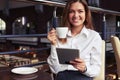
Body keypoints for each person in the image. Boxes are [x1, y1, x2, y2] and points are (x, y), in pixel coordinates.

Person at [47, 0, 102, 80]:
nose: (76, 15)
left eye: (80, 11)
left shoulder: (94, 36)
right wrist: (53, 44)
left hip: (83, 76)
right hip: (62, 76)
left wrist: (84, 68)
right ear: (67, 14)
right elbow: (55, 69)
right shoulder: (59, 35)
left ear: (86, 14)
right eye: (71, 11)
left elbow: (96, 69)